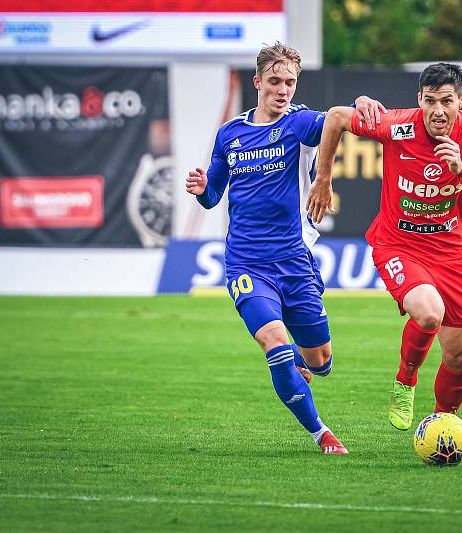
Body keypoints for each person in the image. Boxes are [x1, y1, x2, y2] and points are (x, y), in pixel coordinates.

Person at [185, 42, 384, 453]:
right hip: (246, 264)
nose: (282, 90)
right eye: (274, 81)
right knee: (274, 344)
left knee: (321, 363)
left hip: (294, 262)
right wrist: (204, 190)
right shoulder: (230, 134)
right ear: (257, 82)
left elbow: (340, 119)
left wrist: (360, 102)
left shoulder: (299, 123)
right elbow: (214, 195)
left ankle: (299, 359)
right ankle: (321, 433)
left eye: (290, 82)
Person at [307, 63, 462, 431]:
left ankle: (444, 426)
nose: (438, 111)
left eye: (447, 101)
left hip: (450, 253)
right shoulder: (398, 125)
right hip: (397, 244)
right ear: (419, 100)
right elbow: (335, 118)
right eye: (430, 101)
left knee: (460, 355)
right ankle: (405, 379)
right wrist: (324, 178)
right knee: (429, 313)